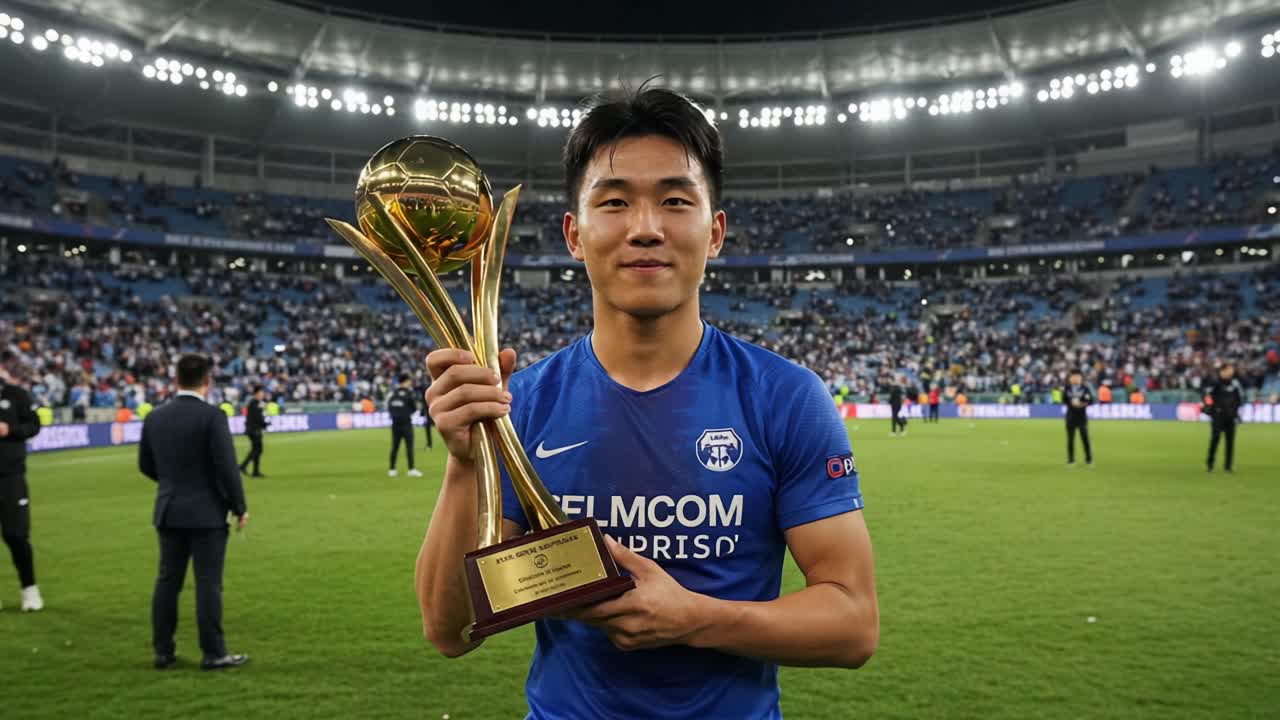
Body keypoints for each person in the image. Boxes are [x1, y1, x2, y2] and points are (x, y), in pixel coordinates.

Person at [416, 87, 877, 720]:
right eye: (614, 202)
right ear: (574, 235)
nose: (646, 228)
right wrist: (464, 464)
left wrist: (695, 619)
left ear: (714, 233)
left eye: (675, 200)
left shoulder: (786, 397)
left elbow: (853, 624)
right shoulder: (516, 404)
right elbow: (450, 630)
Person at [138, 354, 249, 671]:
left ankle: (163, 652)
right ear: (207, 381)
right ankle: (213, 653)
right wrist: (239, 506)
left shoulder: (155, 417)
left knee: (167, 582)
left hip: (169, 509)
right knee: (208, 584)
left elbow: (145, 465)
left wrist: (173, 484)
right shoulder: (212, 417)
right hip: (206, 513)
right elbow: (227, 469)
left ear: (176, 381)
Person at [0, 352, 43, 612]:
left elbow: (33, 425)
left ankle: (30, 589)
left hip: (10, 477)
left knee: (16, 536)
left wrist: (10, 430)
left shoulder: (16, 394)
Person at [1203, 363, 1243, 473]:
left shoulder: (1234, 384)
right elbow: (1207, 396)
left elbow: (1238, 399)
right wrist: (1211, 408)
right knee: (1215, 439)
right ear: (1222, 371)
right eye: (1229, 370)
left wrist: (1236, 413)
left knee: (1230, 441)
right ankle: (1210, 463)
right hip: (1218, 416)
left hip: (1230, 416)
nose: (1232, 372)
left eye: (1232, 370)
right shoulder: (1215, 383)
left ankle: (1228, 466)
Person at [387, 374, 423, 478]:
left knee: (394, 447)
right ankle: (411, 469)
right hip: (406, 423)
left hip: (395, 424)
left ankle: (392, 469)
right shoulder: (409, 393)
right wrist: (407, 413)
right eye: (409, 381)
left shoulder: (393, 393)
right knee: (409, 447)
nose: (410, 383)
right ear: (406, 381)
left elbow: (389, 407)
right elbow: (414, 407)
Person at [1063, 370, 1093, 467]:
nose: (1075, 379)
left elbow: (1090, 400)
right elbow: (1064, 400)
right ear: (1070, 379)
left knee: (1085, 438)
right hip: (1070, 417)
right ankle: (1071, 460)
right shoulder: (1067, 389)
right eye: (1073, 377)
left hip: (1081, 417)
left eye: (1077, 377)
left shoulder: (1085, 389)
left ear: (1081, 378)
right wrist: (1071, 403)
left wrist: (1081, 404)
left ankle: (1088, 460)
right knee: (1070, 439)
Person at [238, 385, 268, 478]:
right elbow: (257, 417)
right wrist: (264, 424)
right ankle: (243, 466)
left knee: (257, 450)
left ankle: (255, 472)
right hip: (254, 430)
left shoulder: (255, 403)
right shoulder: (254, 403)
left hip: (254, 429)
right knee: (257, 449)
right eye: (261, 393)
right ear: (257, 393)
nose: (263, 395)